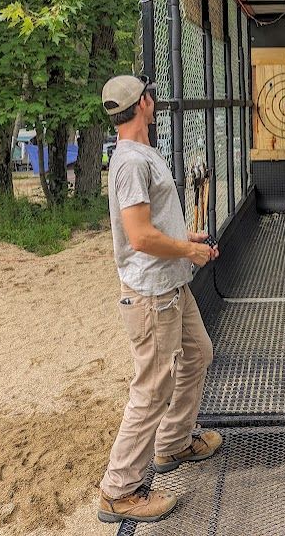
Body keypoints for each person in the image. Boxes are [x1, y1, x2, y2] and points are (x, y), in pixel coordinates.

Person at [97, 74, 221, 525]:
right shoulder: (130, 162)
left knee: (198, 354)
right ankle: (119, 490)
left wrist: (186, 239)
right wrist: (189, 250)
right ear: (144, 103)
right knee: (152, 387)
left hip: (171, 285)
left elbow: (154, 227)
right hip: (151, 294)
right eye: (152, 95)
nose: (155, 100)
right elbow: (139, 236)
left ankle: (174, 442)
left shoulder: (142, 154)